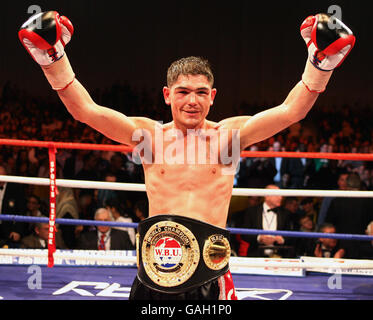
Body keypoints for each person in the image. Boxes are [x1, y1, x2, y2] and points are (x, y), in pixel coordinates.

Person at [19, 11, 355, 300]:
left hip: (210, 273)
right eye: (182, 92)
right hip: (154, 271)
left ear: (213, 97)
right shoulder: (149, 138)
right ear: (167, 95)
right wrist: (53, 58)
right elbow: (86, 111)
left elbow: (290, 111)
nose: (191, 101)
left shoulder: (227, 139)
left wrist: (319, 62)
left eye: (200, 93)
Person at [239, 185, 294, 258]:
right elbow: (244, 234)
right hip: (256, 255)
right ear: (267, 196)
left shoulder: (286, 214)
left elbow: (292, 234)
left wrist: (282, 239)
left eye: (281, 195)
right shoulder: (252, 212)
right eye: (277, 195)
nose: (280, 197)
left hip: (279, 255)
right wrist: (259, 238)